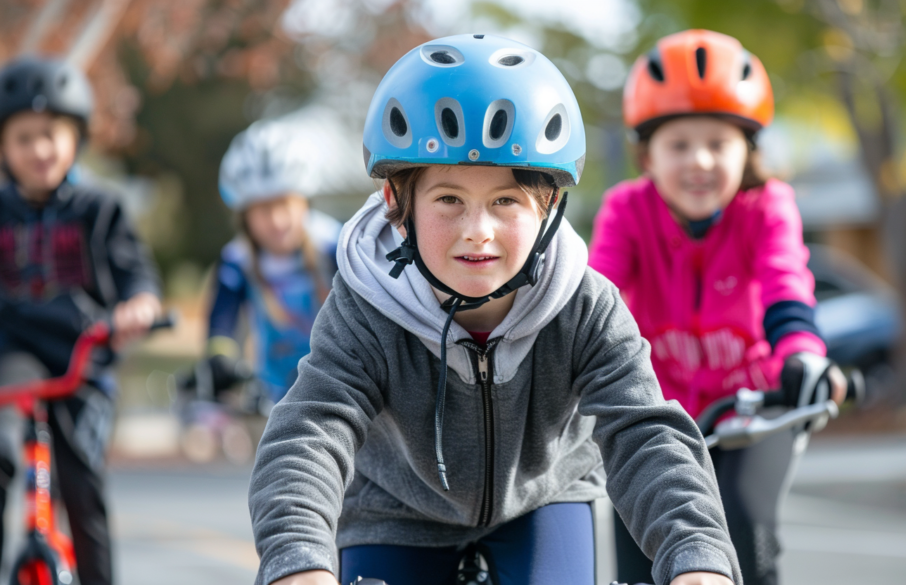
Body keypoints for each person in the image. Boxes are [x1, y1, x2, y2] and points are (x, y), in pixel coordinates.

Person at [248, 34, 741, 585]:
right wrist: (298, 562)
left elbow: (645, 433)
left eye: (506, 201)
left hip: (543, 499)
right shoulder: (364, 307)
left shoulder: (587, 307)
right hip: (394, 510)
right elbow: (310, 431)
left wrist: (698, 558)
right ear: (396, 204)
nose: (476, 231)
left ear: (549, 205)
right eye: (448, 200)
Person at [588, 30, 847, 585]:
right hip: (657, 409)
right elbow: (595, 298)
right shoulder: (627, 212)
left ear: (748, 150)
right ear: (647, 154)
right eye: (679, 144)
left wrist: (802, 354)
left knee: (745, 526)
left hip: (754, 403)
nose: (699, 161)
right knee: (644, 534)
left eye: (718, 143)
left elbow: (787, 285)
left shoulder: (768, 207)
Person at [0, 56, 162, 585]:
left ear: (76, 139)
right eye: (24, 138)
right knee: (0, 449)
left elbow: (135, 272)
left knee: (82, 485)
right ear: (5, 147)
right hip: (15, 356)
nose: (39, 150)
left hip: (81, 358)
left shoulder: (100, 209)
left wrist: (138, 303)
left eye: (51, 135)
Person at [185, 119, 341, 411]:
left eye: (285, 204)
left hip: (342, 387)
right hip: (275, 399)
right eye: (263, 209)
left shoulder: (335, 247)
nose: (277, 220)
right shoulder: (237, 261)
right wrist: (220, 358)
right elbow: (222, 321)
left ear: (304, 201)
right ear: (245, 215)